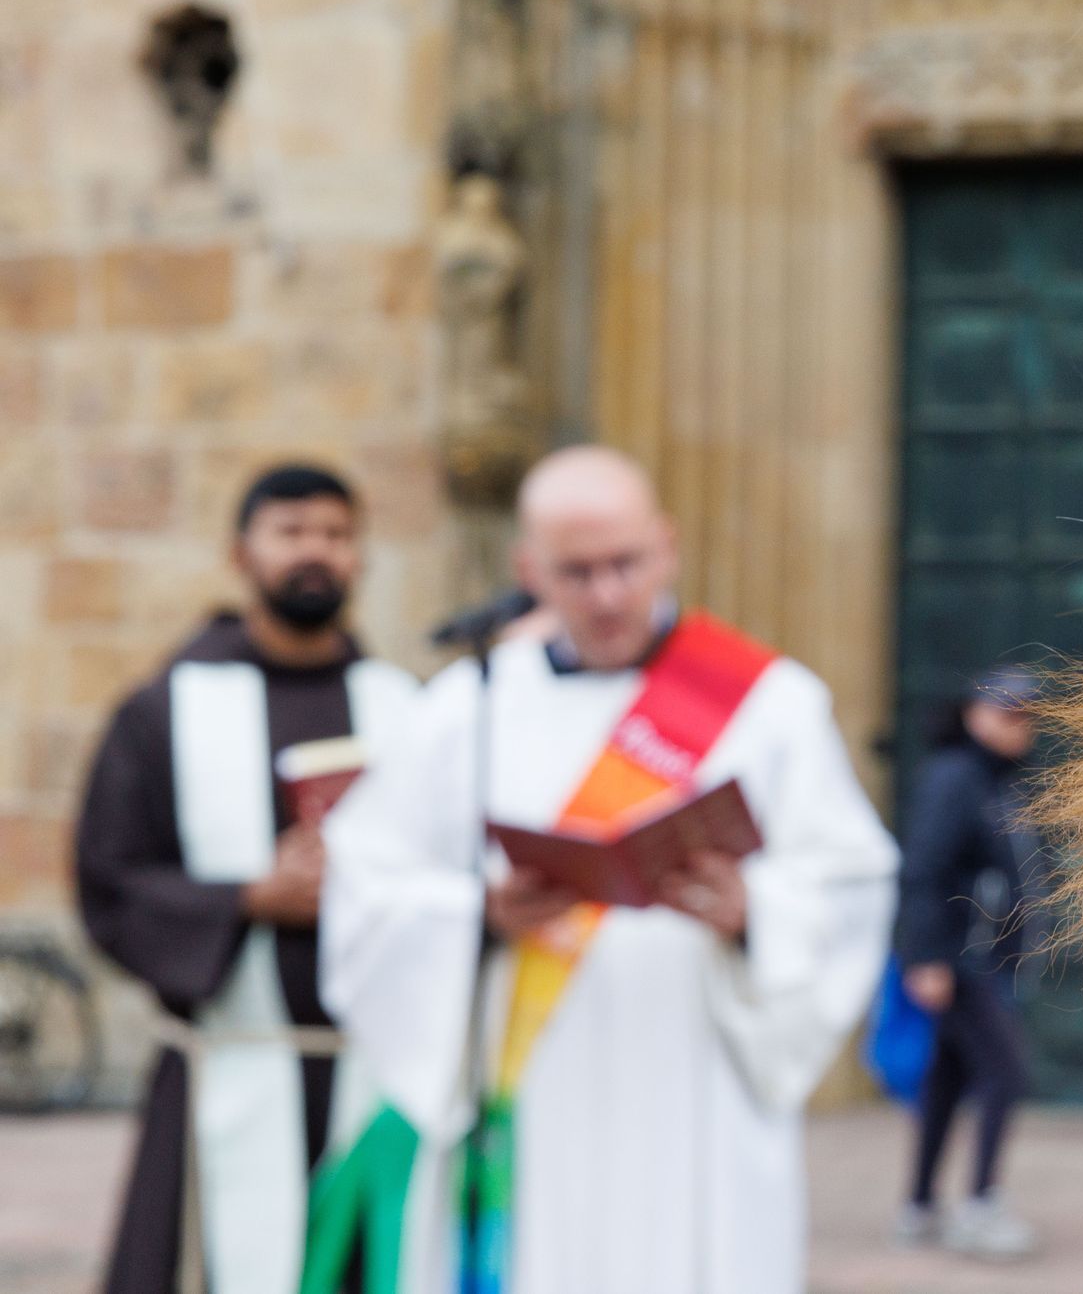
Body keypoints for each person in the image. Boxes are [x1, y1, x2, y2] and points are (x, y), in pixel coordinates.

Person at [319, 445, 899, 1294]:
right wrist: (479, 909)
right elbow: (368, 882)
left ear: (665, 547)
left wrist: (753, 911)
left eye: (625, 563)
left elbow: (851, 883)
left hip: (695, 1085)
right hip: (528, 1091)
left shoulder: (770, 707)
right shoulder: (466, 708)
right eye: (575, 571)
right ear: (528, 570)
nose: (606, 594)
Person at [73, 465, 420, 1294]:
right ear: (242, 553)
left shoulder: (407, 709)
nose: (316, 553)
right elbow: (109, 880)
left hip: (372, 1068)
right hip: (226, 1061)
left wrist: (367, 886)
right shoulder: (163, 711)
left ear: (360, 557)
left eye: (336, 536)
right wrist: (248, 899)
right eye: (292, 532)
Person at [894, 668, 1045, 1261]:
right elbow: (925, 870)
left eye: (1027, 715)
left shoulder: (1001, 782)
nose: (1019, 725)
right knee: (1004, 1073)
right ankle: (981, 1206)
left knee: (947, 1078)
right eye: (1007, 712)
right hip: (962, 960)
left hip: (986, 960)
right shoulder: (957, 776)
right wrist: (925, 956)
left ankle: (919, 1205)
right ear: (974, 715)